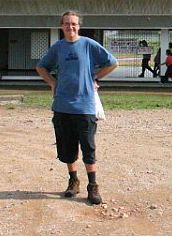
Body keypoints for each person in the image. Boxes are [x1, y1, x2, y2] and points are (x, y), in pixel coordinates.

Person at [35, 11, 118, 205]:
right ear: (61, 26)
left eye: (73, 24)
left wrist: (95, 77)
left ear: (79, 26)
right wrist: (52, 83)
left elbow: (112, 62)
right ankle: (73, 181)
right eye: (66, 24)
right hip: (62, 105)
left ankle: (93, 186)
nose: (70, 27)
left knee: (88, 147)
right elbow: (41, 67)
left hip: (85, 106)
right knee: (67, 147)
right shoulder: (58, 48)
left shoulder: (88, 45)